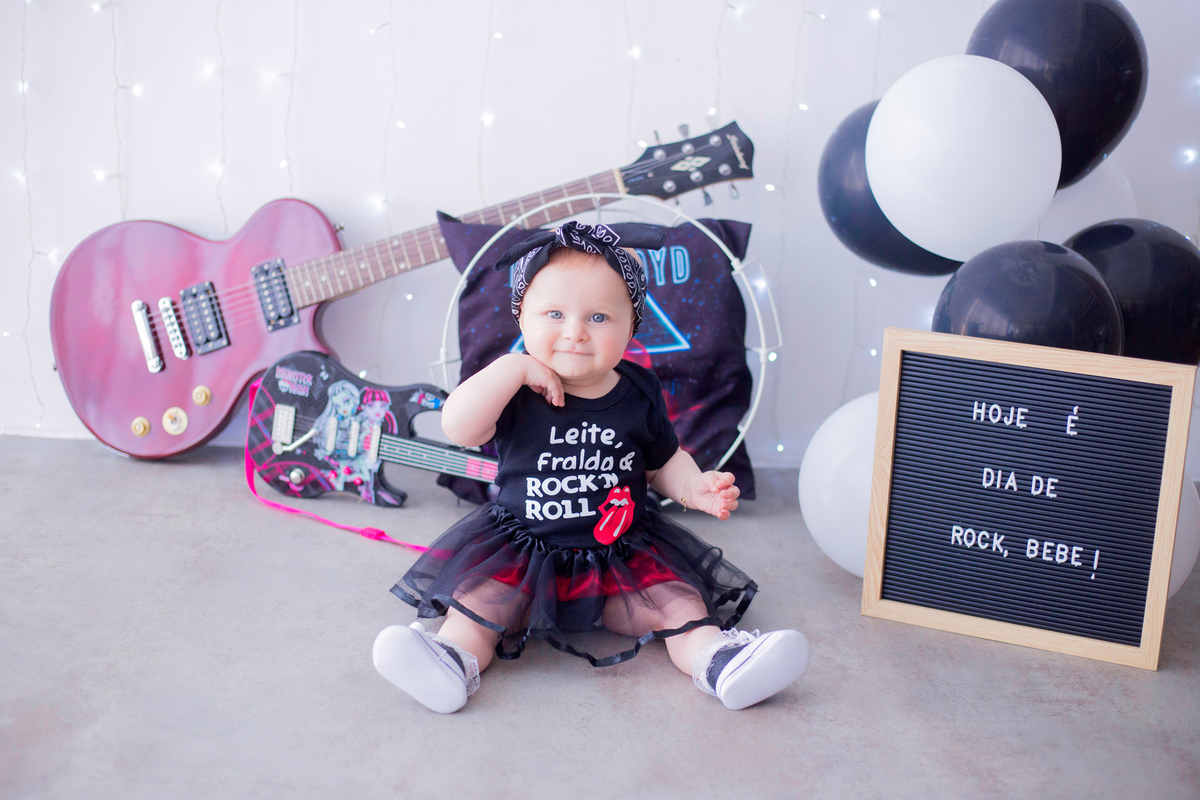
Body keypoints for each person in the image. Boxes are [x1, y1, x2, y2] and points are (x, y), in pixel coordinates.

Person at [372, 221, 808, 713]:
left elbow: (662, 461)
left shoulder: (638, 390)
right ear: (522, 318)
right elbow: (459, 427)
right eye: (554, 313)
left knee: (679, 606)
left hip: (620, 555)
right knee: (476, 609)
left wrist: (691, 486)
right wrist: (511, 368)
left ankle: (719, 662)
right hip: (524, 552)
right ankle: (450, 662)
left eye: (599, 317)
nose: (575, 331)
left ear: (630, 325)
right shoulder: (510, 387)